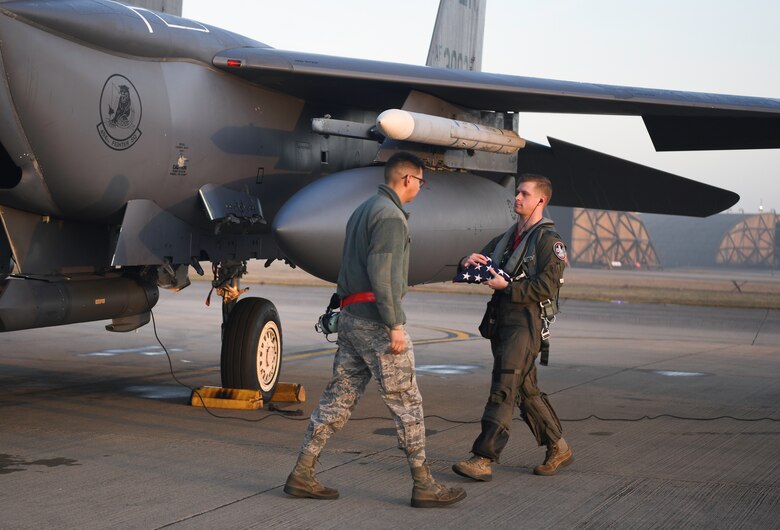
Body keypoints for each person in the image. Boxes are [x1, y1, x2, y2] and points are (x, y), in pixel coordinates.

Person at [284, 152, 466, 508]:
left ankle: (302, 473)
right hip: (376, 322)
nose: (420, 189)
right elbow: (383, 275)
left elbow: (348, 266)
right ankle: (424, 484)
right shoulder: (391, 217)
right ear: (409, 180)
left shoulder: (363, 210)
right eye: (421, 182)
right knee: (406, 403)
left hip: (352, 319)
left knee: (338, 398)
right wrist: (395, 324)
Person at [452, 174, 572, 481]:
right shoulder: (509, 237)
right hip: (502, 318)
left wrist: (508, 287)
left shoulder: (549, 241)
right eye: (517, 193)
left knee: (504, 387)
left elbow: (546, 286)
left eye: (524, 193)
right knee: (525, 391)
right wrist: (468, 261)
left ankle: (483, 457)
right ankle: (558, 446)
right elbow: (486, 263)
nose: (517, 198)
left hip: (525, 320)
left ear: (541, 201)